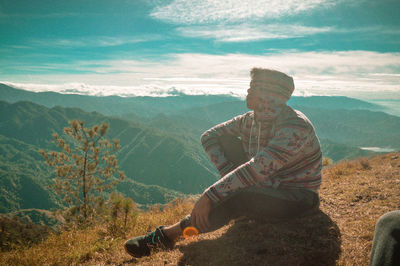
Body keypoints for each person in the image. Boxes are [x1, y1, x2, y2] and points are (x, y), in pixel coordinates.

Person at [124, 68, 322, 257]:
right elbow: (209, 137)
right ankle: (236, 201)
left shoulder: (295, 126)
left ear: (268, 94)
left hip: (296, 196)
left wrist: (211, 195)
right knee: (225, 143)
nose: (247, 91)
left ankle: (167, 235)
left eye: (254, 87)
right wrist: (228, 176)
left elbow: (257, 169)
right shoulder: (249, 120)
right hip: (264, 183)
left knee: (237, 197)